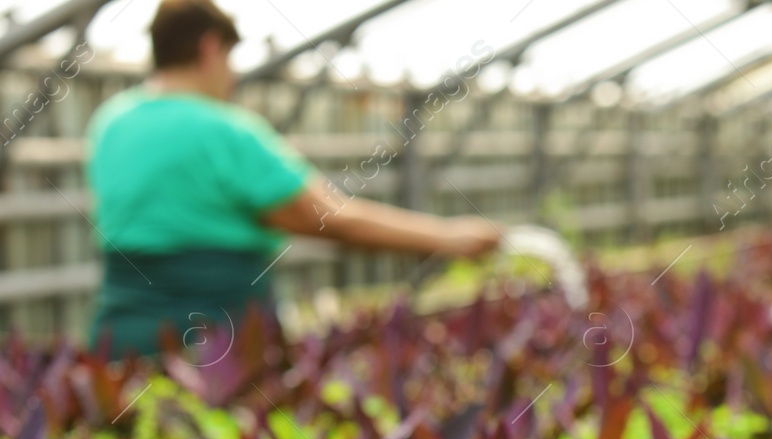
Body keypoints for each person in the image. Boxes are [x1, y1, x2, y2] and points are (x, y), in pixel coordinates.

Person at [85, 0, 502, 358]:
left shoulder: (110, 122)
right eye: (230, 59)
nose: (231, 76)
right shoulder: (223, 129)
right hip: (217, 344)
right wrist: (447, 237)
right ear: (209, 47)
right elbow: (326, 217)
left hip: (121, 338)